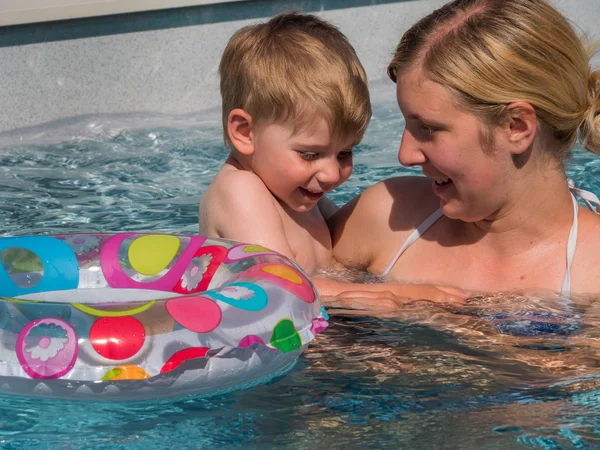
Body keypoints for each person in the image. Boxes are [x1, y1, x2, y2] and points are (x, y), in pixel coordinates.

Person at [329, 0, 600, 311]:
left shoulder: (593, 275)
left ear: (517, 127)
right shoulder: (386, 218)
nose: (406, 155)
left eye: (428, 128)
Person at [199, 12, 464, 303]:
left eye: (345, 153)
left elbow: (340, 262)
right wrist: (398, 293)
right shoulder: (240, 192)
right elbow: (281, 285)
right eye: (310, 154)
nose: (332, 174)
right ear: (245, 132)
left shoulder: (297, 195)